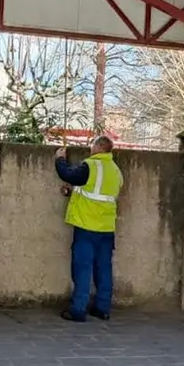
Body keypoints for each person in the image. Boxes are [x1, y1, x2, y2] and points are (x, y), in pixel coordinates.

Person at [54, 136, 123, 322]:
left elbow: (68, 174)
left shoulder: (92, 165)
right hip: (107, 228)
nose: (91, 148)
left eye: (93, 145)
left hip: (87, 225)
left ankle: (78, 309)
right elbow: (96, 192)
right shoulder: (116, 171)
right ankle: (102, 308)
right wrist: (71, 192)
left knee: (82, 267)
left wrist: (60, 159)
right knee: (103, 268)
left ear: (99, 147)